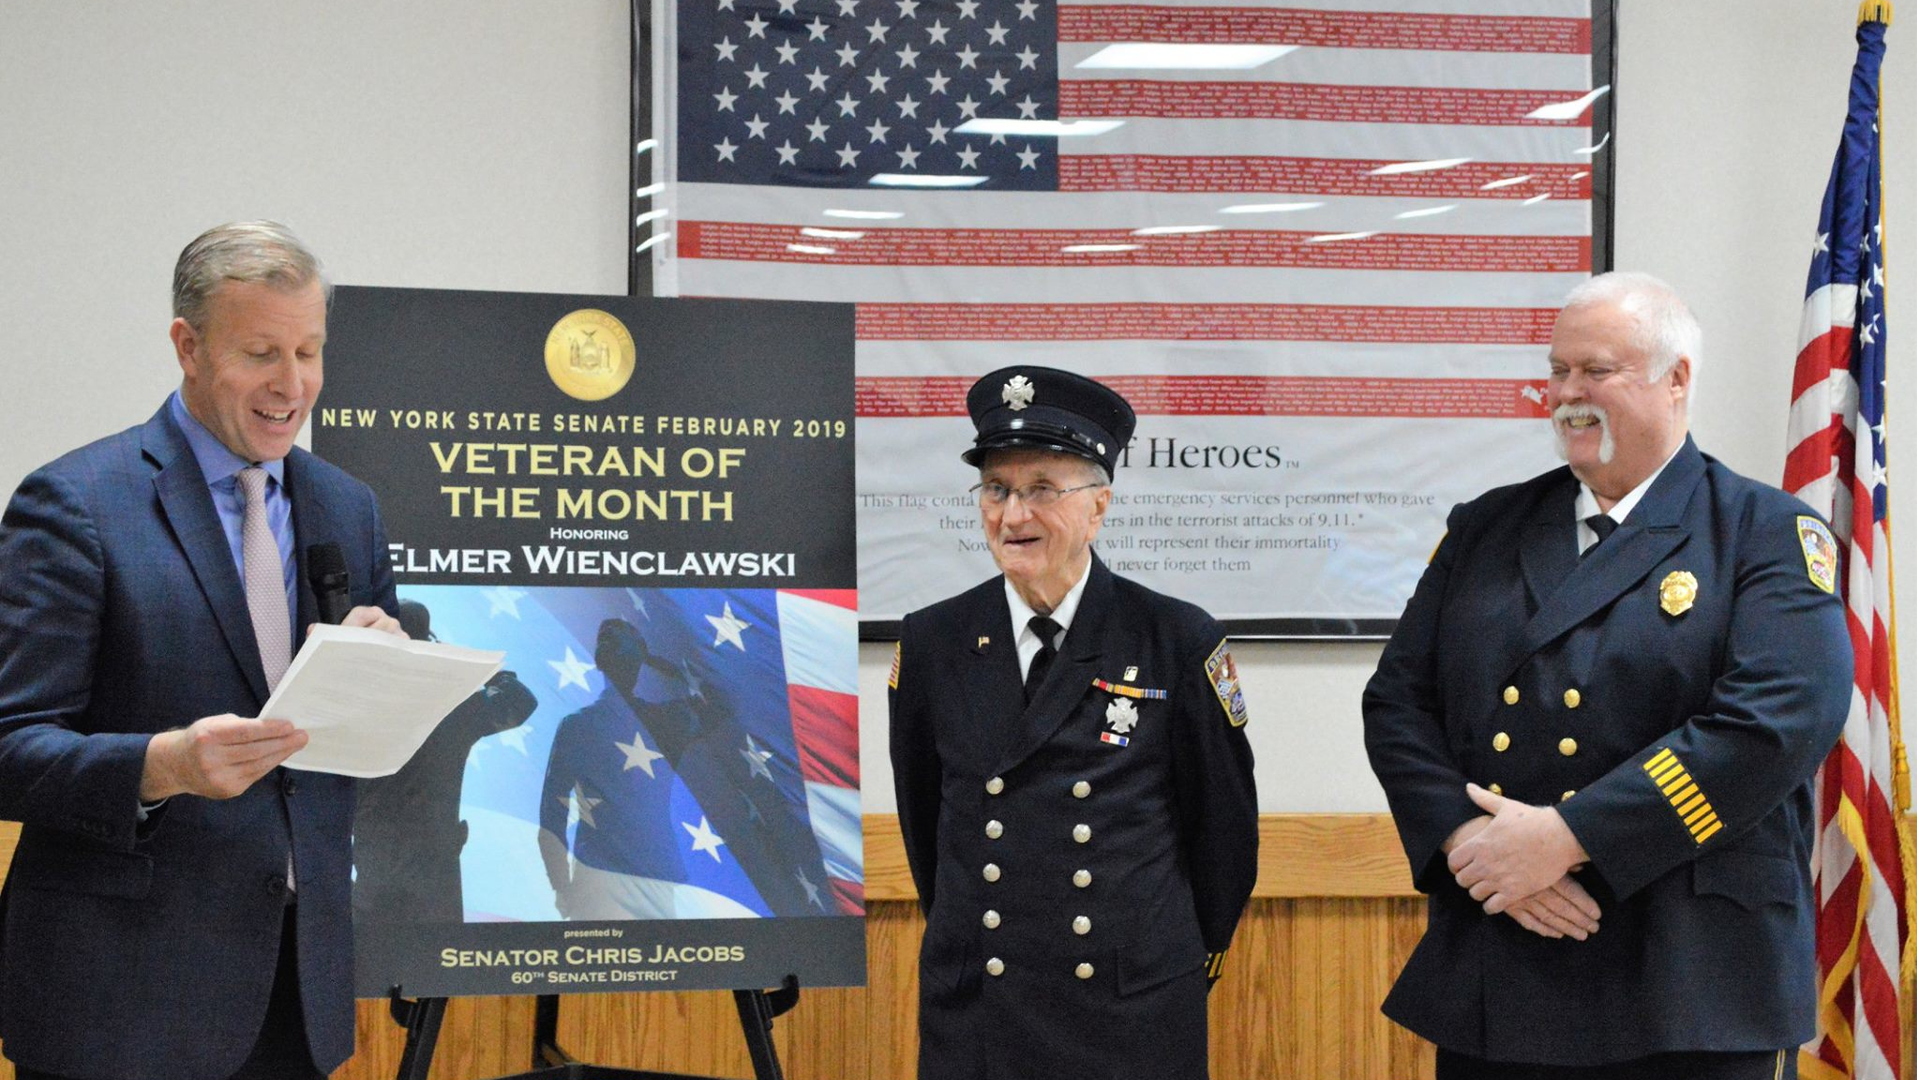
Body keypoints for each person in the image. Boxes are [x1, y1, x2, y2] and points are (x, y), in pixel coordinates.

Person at [1363, 272, 1852, 1079]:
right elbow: (1396, 703)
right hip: (1506, 949)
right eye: (1557, 371)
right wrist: (1469, 842)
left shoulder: (1763, 531)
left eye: (1595, 371)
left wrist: (1567, 838)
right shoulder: (1487, 526)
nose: (1566, 394)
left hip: (1688, 975)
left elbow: (1775, 723)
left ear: (1676, 379)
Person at [0, 221, 403, 1080]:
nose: (292, 385)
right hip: (120, 1006)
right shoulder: (76, 504)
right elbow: (9, 747)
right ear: (188, 346)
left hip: (296, 996)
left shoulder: (348, 507)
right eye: (260, 353)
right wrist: (162, 767)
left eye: (309, 351)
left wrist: (391, 669)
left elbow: (364, 738)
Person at [889, 365, 1258, 1080]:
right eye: (996, 489)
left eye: (1041, 490)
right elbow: (925, 823)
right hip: (981, 1008)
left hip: (1128, 1009)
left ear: (1098, 507)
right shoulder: (933, 641)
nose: (1012, 516)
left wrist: (1183, 956)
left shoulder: (1174, 637)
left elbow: (1223, 829)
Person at [354, 599, 536, 924]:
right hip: (432, 882)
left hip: (374, 876)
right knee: (440, 956)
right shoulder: (452, 711)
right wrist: (476, 668)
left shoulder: (360, 708)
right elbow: (521, 700)